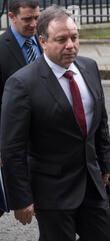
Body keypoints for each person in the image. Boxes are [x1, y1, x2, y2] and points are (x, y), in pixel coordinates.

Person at [0, 5, 110, 241]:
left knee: (103, 236)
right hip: (51, 189)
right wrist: (21, 198)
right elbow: (12, 147)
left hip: (90, 179)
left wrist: (106, 164)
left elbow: (100, 121)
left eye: (74, 37)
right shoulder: (23, 83)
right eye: (61, 39)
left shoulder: (88, 67)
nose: (71, 45)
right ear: (43, 41)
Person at [0, 0, 41, 222]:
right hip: (13, 137)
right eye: (27, 19)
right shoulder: (1, 48)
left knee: (48, 193)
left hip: (43, 135)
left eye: (36, 17)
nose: (34, 24)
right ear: (11, 16)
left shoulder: (45, 41)